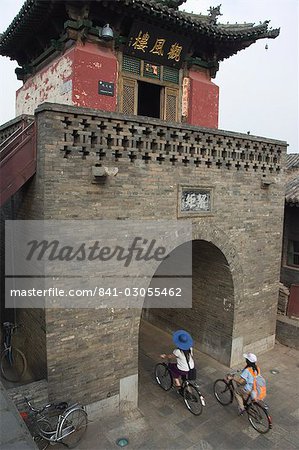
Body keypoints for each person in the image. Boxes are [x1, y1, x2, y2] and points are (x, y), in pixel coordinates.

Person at [160, 329, 194, 394]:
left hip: (183, 368)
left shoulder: (177, 351)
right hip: (191, 367)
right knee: (183, 374)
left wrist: (164, 356)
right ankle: (189, 390)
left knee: (172, 369)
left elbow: (170, 357)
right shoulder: (190, 348)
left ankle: (178, 386)